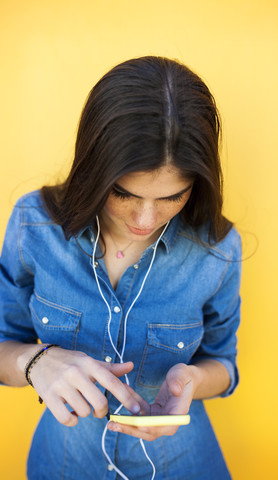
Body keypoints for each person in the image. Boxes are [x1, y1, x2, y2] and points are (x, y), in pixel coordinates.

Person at [0, 56, 242, 480]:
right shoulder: (33, 226)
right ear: (94, 168)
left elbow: (223, 363)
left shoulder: (218, 248)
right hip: (63, 464)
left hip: (183, 463)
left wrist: (190, 382)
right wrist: (35, 361)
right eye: (124, 192)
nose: (146, 221)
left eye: (172, 196)